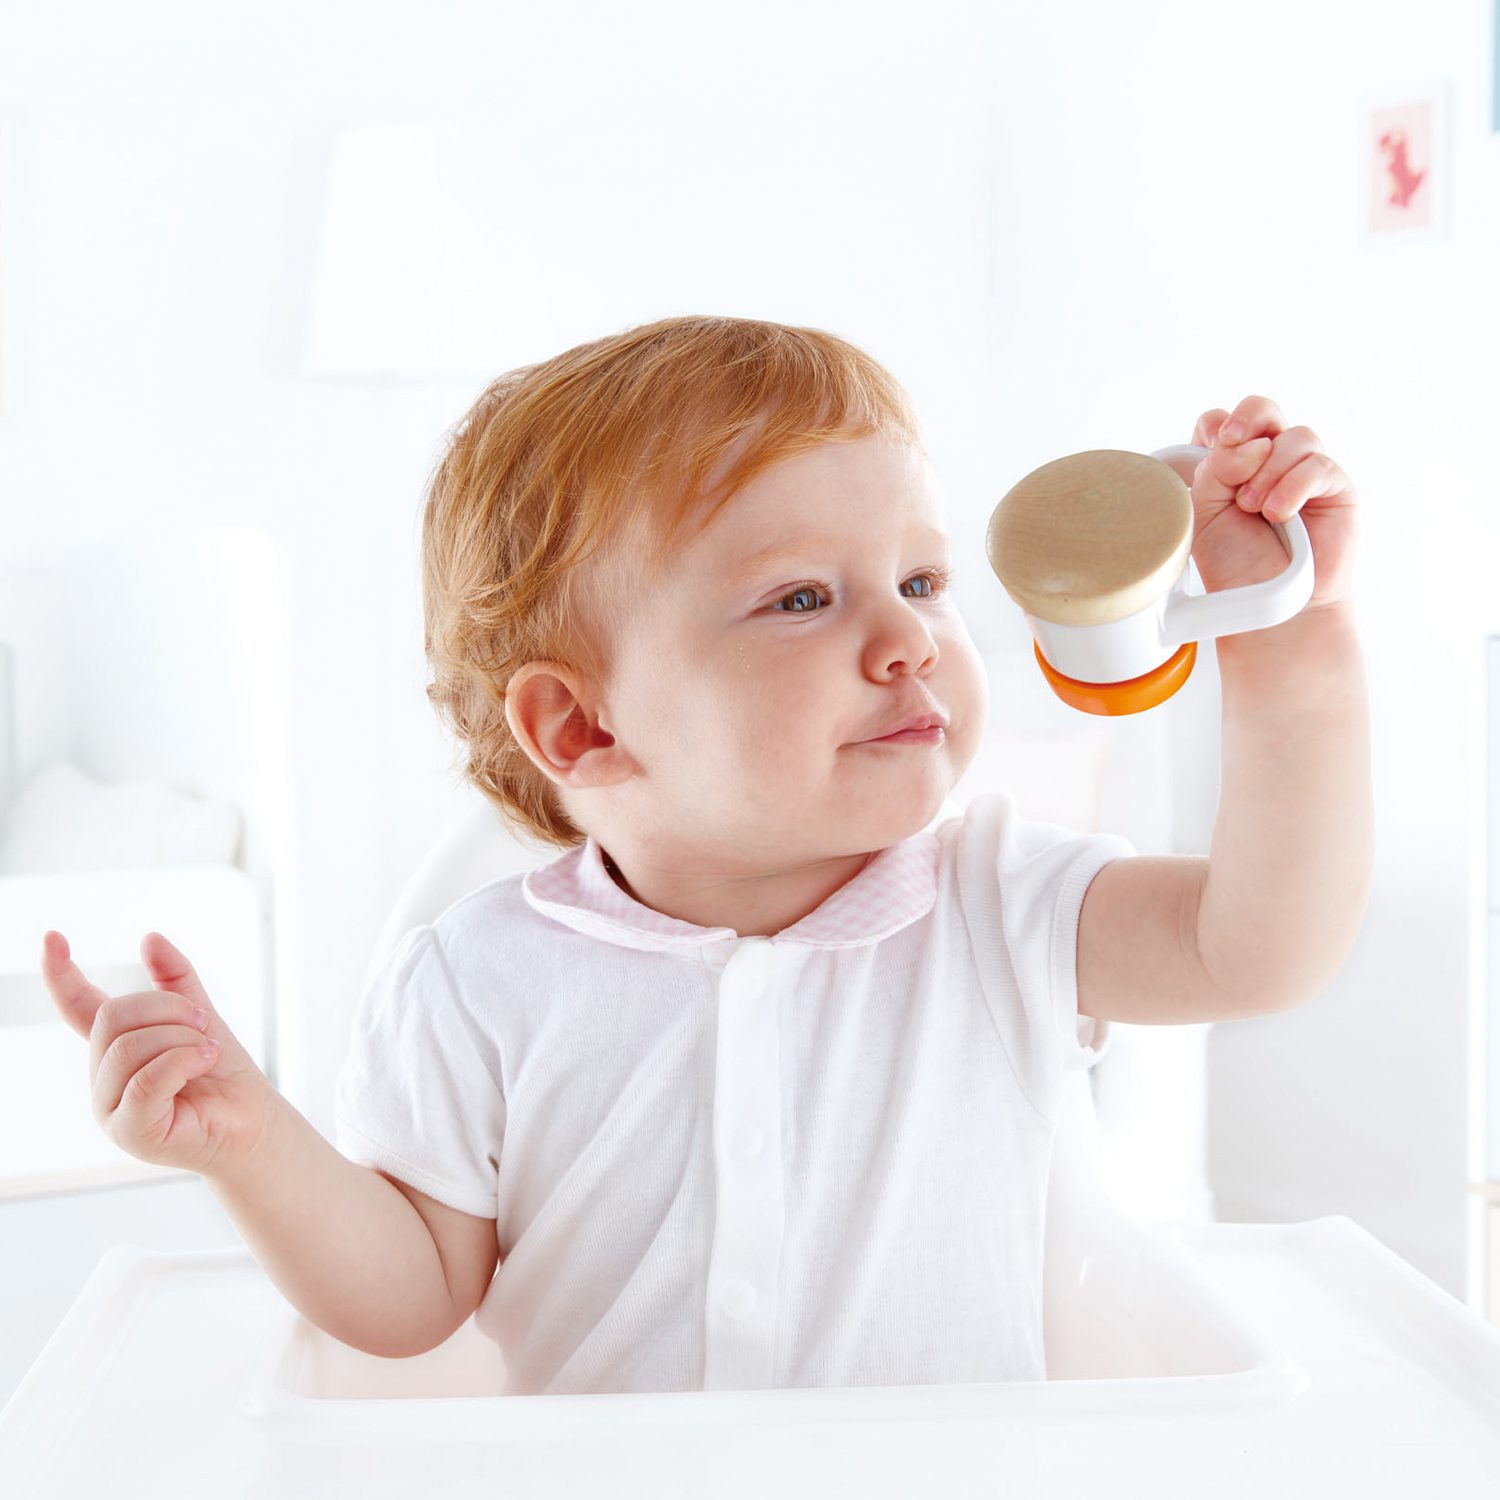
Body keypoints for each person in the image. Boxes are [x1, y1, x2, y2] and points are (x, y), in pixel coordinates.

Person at [39, 314, 1373, 1394]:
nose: (908, 639)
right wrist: (253, 1144)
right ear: (581, 725)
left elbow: (1258, 948)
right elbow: (409, 1304)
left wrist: (1293, 644)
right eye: (802, 597)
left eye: (921, 581)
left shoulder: (1004, 904)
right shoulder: (475, 983)